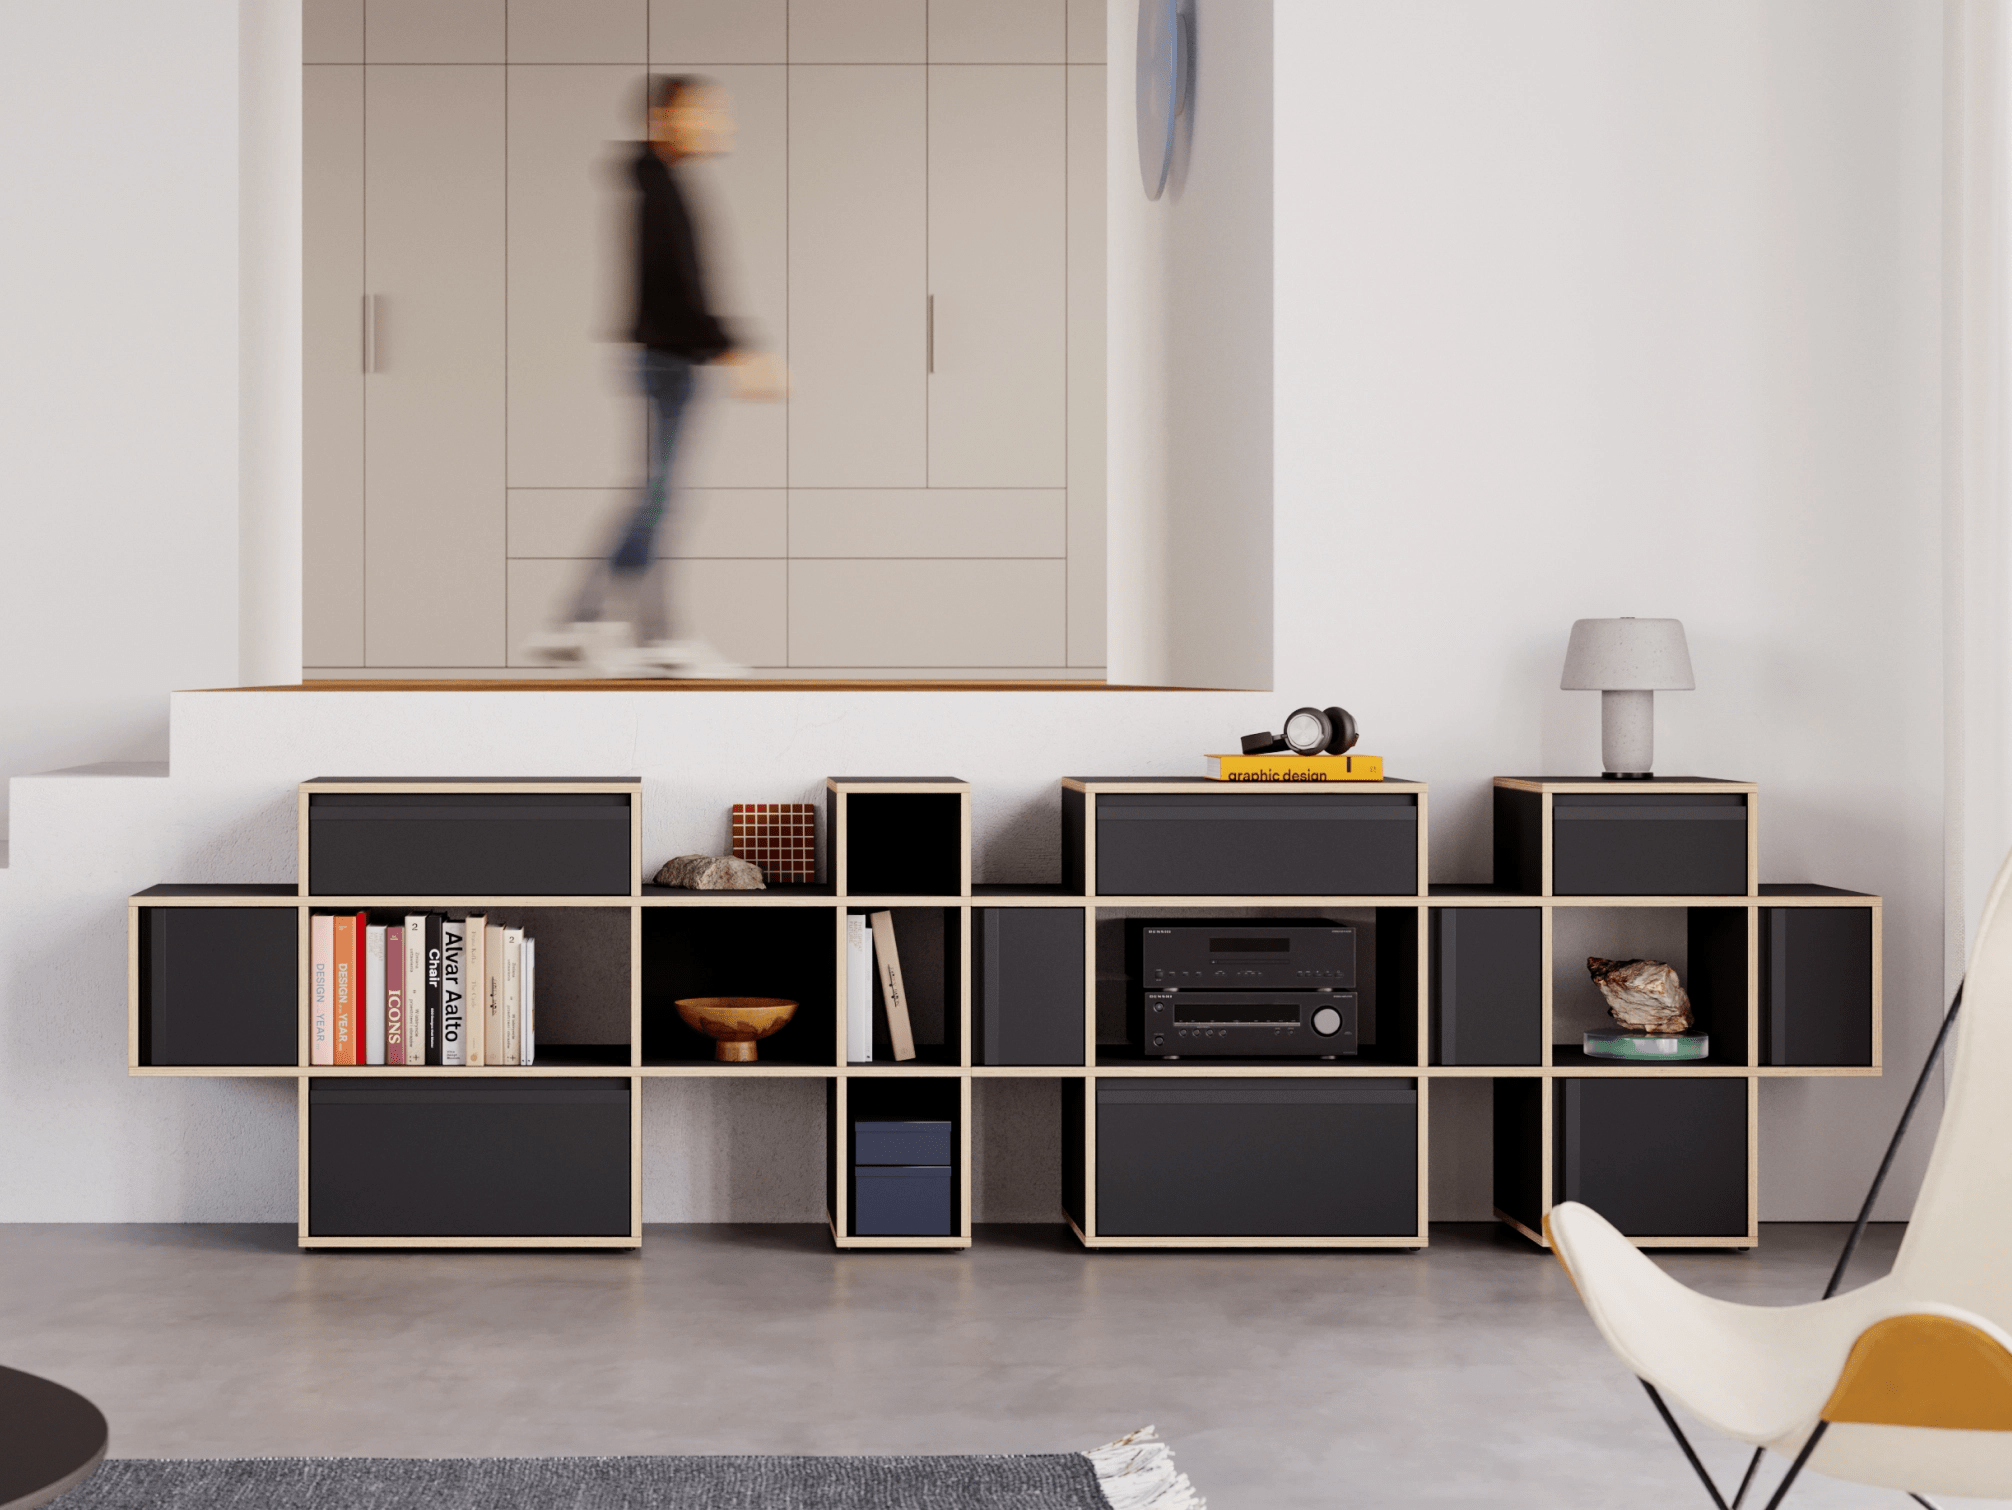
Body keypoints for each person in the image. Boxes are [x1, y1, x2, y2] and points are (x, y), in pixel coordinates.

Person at [528, 75, 783, 677]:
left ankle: (637, 634)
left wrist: (727, 348)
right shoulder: (659, 191)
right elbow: (680, 291)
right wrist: (736, 351)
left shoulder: (659, 183)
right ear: (664, 118)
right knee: (659, 497)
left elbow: (681, 290)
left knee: (660, 497)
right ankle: (596, 625)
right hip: (669, 360)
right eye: (707, 113)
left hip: (669, 357)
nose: (722, 125)